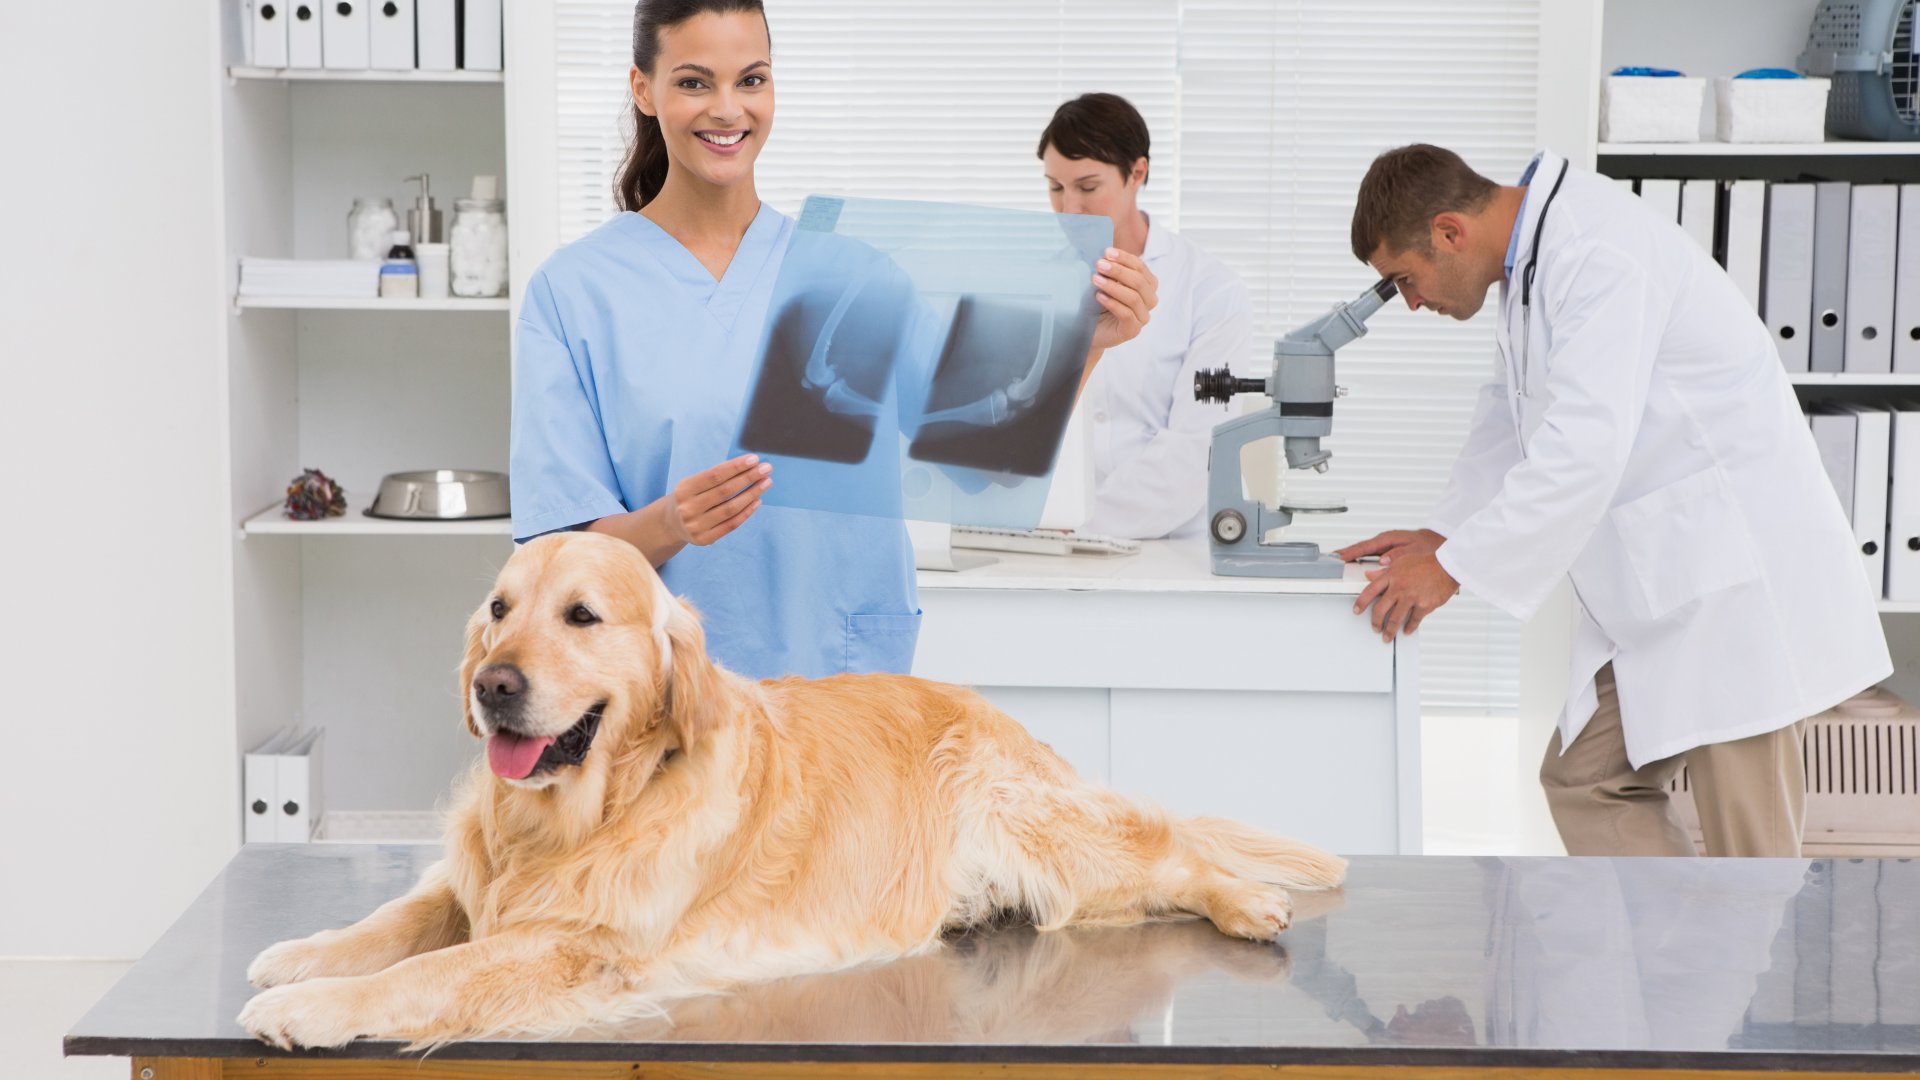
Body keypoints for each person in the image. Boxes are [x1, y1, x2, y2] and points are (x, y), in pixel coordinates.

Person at [510, 0, 1158, 679]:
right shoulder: (574, 292)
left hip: (842, 686)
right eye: (695, 81)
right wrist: (670, 522)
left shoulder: (854, 272)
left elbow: (981, 465)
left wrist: (1092, 340)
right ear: (644, 89)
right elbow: (559, 562)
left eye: (751, 80)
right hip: (667, 689)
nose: (728, 109)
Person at [1337, 143, 1889, 857]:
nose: (1411, 303)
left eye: (1405, 281)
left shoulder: (1599, 252)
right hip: (1662, 582)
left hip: (1731, 581)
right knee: (1583, 781)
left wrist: (1456, 568)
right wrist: (1445, 533)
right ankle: (1687, 960)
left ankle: (1744, 964)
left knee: (1749, 853)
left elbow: (1583, 447)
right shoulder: (1533, 267)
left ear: (1449, 232)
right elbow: (1510, 414)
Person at [1038, 93, 1251, 540]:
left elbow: (1195, 448)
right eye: (1056, 188)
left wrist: (1082, 528)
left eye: (1088, 187)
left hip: (1174, 545)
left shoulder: (1211, 289)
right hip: (1052, 540)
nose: (1069, 209)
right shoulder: (1034, 281)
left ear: (1137, 173)